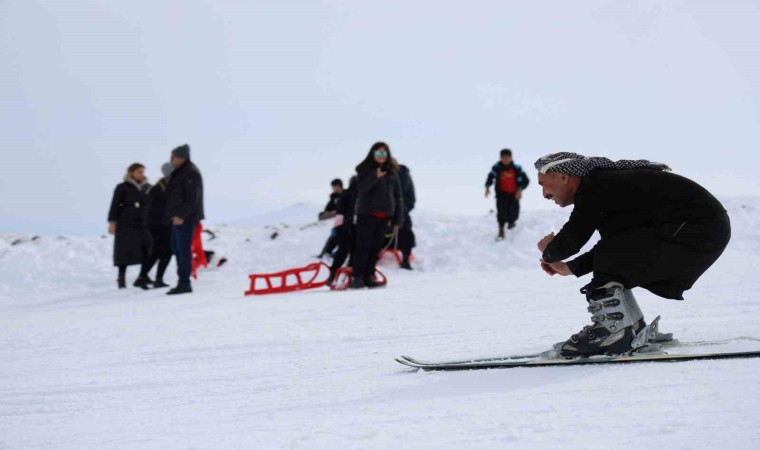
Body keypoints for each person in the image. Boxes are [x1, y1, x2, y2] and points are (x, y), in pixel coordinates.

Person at [534, 152, 731, 357]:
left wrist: (549, 250)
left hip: (695, 230)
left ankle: (614, 332)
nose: (544, 194)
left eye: (542, 184)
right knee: (613, 255)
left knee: (612, 258)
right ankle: (632, 328)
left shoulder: (596, 184)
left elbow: (575, 235)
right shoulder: (607, 186)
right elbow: (615, 244)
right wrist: (570, 268)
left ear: (563, 177)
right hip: (701, 231)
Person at [350, 142, 403, 289]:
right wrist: (375, 176)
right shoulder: (364, 169)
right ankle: (357, 277)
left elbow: (398, 196)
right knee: (363, 246)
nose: (381, 156)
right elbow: (361, 189)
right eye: (378, 153)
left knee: (375, 248)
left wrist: (398, 218)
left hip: (384, 215)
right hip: (366, 214)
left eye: (384, 153)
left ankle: (369, 276)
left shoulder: (392, 172)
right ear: (372, 154)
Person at [164, 144, 204, 295]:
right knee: (177, 248)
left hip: (185, 219)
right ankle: (182, 281)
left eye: (172, 157)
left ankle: (184, 283)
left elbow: (193, 198)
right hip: (178, 218)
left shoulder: (190, 172)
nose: (171, 160)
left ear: (179, 157)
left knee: (183, 250)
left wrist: (181, 215)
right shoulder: (181, 171)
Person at [108, 163, 153, 289]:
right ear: (131, 173)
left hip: (144, 223)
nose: (142, 174)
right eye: (139, 172)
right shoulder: (122, 187)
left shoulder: (148, 187)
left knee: (148, 248)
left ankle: (143, 276)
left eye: (143, 172)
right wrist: (112, 222)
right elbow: (114, 205)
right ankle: (121, 277)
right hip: (125, 224)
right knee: (124, 251)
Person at [135, 162, 174, 289]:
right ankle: (155, 279)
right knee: (165, 251)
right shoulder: (160, 189)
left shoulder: (163, 186)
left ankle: (144, 277)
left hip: (160, 224)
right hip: (158, 224)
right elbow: (158, 208)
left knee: (159, 251)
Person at [485, 149, 530, 240]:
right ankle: (501, 229)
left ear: (511, 158)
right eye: (503, 157)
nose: (505, 159)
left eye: (507, 157)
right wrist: (487, 187)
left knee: (514, 211)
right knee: (501, 212)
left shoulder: (517, 168)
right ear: (500, 158)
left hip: (514, 194)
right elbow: (490, 177)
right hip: (501, 194)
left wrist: (520, 190)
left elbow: (526, 180)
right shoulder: (496, 168)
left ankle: (511, 222)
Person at [327, 176, 357, 284]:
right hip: (348, 226)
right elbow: (340, 212)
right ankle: (337, 273)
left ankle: (337, 273)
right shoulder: (350, 194)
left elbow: (339, 212)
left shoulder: (347, 194)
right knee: (347, 250)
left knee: (346, 251)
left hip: (350, 226)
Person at [396, 162, 416, 270]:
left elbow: (411, 198)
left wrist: (402, 209)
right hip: (385, 212)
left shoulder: (404, 176)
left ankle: (405, 259)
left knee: (406, 232)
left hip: (401, 213)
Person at [317, 179, 344, 258]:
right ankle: (326, 252)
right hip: (336, 219)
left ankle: (335, 253)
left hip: (344, 218)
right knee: (334, 235)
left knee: (340, 236)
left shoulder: (346, 195)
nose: (332, 189)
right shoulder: (333, 197)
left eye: (333, 187)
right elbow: (327, 209)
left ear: (338, 186)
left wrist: (335, 212)